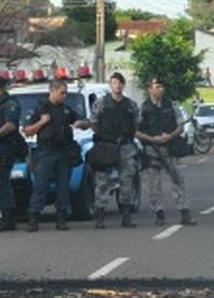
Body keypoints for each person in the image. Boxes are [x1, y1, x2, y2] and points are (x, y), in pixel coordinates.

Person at [83, 72, 139, 228]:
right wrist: (103, 136)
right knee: (102, 181)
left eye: (120, 83)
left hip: (125, 147)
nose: (117, 86)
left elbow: (136, 125)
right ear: (110, 85)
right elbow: (93, 123)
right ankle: (100, 216)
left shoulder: (130, 105)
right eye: (114, 82)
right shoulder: (101, 103)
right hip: (106, 146)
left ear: (123, 85)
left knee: (126, 180)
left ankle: (126, 215)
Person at [135, 77, 194, 227]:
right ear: (150, 89)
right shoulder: (144, 108)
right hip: (152, 150)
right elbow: (135, 131)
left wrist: (170, 136)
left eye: (162, 86)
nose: (161, 89)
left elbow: (180, 125)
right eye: (157, 86)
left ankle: (184, 213)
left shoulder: (170, 105)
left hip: (170, 147)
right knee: (154, 184)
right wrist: (152, 139)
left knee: (178, 179)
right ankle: (159, 214)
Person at [23, 79, 81, 232]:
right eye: (62, 93)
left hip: (63, 152)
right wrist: (41, 123)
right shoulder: (41, 109)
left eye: (65, 93)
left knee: (63, 187)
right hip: (46, 152)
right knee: (40, 186)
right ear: (53, 91)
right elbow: (27, 130)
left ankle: (61, 219)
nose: (64, 96)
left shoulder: (66, 110)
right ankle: (33, 219)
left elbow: (81, 121)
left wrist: (81, 123)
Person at [0, 75, 25, 231]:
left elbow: (10, 125)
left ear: (1, 88)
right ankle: (3, 216)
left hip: (6, 147)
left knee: (3, 183)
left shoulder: (10, 104)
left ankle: (8, 219)